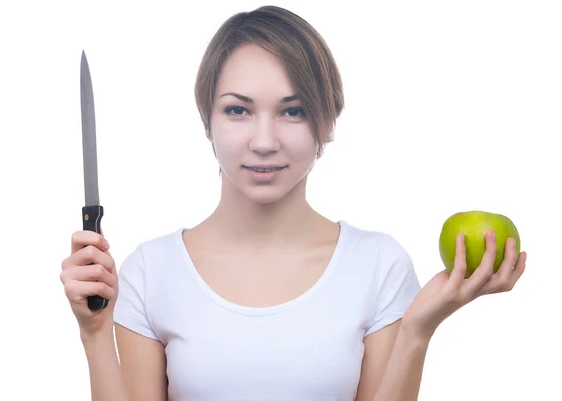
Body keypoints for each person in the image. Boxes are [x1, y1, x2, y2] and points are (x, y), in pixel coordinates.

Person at [60, 5, 527, 401]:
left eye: (293, 111)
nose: (264, 141)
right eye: (238, 110)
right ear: (207, 122)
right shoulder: (149, 271)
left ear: (326, 124)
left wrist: (417, 332)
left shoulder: (378, 264)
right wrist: (95, 333)